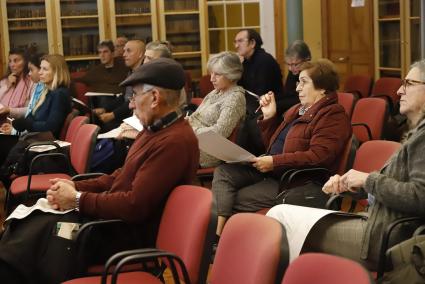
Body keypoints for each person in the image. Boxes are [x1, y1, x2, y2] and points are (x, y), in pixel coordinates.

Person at [0, 58, 200, 283]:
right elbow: (119, 176)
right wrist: (75, 186)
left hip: (121, 236)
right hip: (109, 223)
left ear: (154, 98)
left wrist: (77, 199)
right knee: (30, 224)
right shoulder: (155, 130)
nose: (131, 104)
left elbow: (133, 205)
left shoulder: (174, 141)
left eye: (134, 95)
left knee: (35, 240)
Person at [267, 60, 425, 271]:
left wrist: (367, 180)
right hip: (380, 223)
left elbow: (419, 196)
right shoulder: (418, 134)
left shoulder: (422, 138)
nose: (398, 90)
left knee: (281, 217)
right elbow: (395, 187)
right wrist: (353, 186)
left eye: (408, 83)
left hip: (386, 235)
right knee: (283, 218)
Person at [212, 59, 351, 236]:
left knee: (236, 199)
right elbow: (274, 145)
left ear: (323, 88)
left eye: (303, 82)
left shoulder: (332, 115)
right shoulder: (297, 109)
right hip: (274, 170)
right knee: (224, 172)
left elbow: (318, 156)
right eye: (298, 82)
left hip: (295, 180)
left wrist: (274, 162)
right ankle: (218, 236)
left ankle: (224, 239)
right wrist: (270, 117)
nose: (297, 88)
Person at [187, 51, 246, 168]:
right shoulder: (216, 92)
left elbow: (220, 132)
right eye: (211, 74)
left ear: (231, 74)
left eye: (217, 75)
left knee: (162, 150)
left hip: (207, 150)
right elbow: (196, 116)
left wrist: (190, 130)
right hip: (193, 141)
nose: (211, 79)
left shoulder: (235, 97)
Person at [234, 29, 283, 155]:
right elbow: (240, 89)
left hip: (270, 106)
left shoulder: (265, 60)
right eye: (235, 42)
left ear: (252, 43)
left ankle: (245, 157)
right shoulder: (246, 62)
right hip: (254, 105)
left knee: (243, 123)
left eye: (240, 41)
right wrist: (238, 69)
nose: (236, 45)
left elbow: (261, 93)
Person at [0, 54, 72, 138]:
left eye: (44, 69)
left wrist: (25, 124)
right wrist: (15, 128)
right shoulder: (48, 92)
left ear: (56, 72)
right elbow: (32, 117)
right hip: (33, 138)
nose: (40, 72)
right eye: (40, 68)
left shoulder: (59, 94)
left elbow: (51, 127)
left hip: (43, 144)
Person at [74, 40, 129, 128]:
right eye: (99, 52)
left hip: (119, 101)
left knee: (106, 99)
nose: (102, 55)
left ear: (112, 53)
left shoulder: (124, 66)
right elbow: (79, 79)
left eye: (105, 52)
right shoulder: (96, 71)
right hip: (100, 102)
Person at [95, 40, 145, 131]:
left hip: (135, 118)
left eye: (128, 51)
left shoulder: (143, 75)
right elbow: (124, 97)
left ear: (140, 54)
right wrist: (105, 109)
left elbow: (132, 102)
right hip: (127, 112)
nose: (124, 54)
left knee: (105, 126)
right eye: (124, 51)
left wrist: (112, 114)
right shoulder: (131, 72)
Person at [0, 48, 34, 121]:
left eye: (16, 60)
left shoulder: (32, 82)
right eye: (10, 61)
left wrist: (10, 110)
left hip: (20, 125)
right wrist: (7, 86)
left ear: (25, 62)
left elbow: (33, 110)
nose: (12, 65)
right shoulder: (4, 81)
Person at [282, 40, 312, 113]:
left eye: (295, 64)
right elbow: (287, 94)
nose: (290, 68)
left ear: (307, 59)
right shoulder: (293, 72)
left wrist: (277, 105)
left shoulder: (312, 75)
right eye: (288, 64)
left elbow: (301, 101)